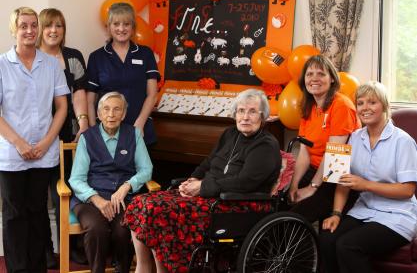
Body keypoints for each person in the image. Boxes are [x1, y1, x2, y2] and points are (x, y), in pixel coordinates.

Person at [124, 89, 282, 273]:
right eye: (241, 111)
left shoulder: (266, 145)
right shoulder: (230, 134)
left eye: (252, 111)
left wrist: (202, 187)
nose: (245, 117)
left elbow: (245, 183)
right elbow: (209, 162)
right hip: (211, 194)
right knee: (141, 202)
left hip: (238, 203)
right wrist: (192, 179)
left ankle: (164, 270)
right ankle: (144, 267)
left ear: (263, 117)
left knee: (159, 210)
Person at [320, 81, 417, 273]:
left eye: (372, 102)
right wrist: (336, 214)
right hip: (364, 210)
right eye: (361, 103)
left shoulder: (403, 141)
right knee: (327, 238)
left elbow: (407, 190)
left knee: (348, 245)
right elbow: (342, 180)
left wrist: (365, 184)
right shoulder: (355, 137)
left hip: (397, 216)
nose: (365, 108)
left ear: (385, 106)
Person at [0, 7, 69, 272]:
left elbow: (62, 106)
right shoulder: (3, 64)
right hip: (11, 154)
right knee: (15, 215)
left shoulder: (51, 64)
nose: (29, 31)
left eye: (33, 25)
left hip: (43, 152)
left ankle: (37, 267)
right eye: (23, 26)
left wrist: (44, 143)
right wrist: (19, 143)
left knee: (38, 212)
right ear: (14, 30)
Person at [69, 91, 153, 273]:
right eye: (106, 109)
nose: (111, 114)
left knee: (124, 229)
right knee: (96, 229)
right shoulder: (87, 138)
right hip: (90, 198)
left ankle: (122, 269)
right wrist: (96, 199)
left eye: (117, 110)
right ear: (98, 114)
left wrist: (127, 185)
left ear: (123, 114)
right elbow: (76, 178)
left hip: (123, 198)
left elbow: (146, 169)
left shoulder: (134, 135)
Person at [37, 7, 89, 267]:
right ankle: (46, 250)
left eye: (58, 26)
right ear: (40, 29)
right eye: (48, 26)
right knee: (39, 196)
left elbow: (79, 93)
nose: (53, 31)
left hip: (68, 138)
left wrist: (83, 123)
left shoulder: (73, 57)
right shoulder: (32, 58)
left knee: (65, 195)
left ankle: (71, 247)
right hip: (37, 140)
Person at [288, 55, 360, 223]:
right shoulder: (309, 106)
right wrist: (294, 184)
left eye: (321, 74)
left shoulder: (341, 105)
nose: (314, 78)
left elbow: (334, 156)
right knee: (281, 204)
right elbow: (305, 150)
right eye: (309, 74)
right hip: (316, 171)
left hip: (337, 177)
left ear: (332, 80)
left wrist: (312, 188)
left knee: (295, 218)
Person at [86, 2, 160, 146]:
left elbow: (152, 94)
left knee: (143, 169)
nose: (121, 28)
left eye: (126, 24)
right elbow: (90, 101)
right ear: (108, 27)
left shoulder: (145, 54)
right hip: (107, 134)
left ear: (133, 28)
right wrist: (95, 130)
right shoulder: (97, 57)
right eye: (116, 24)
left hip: (140, 131)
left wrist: (140, 124)